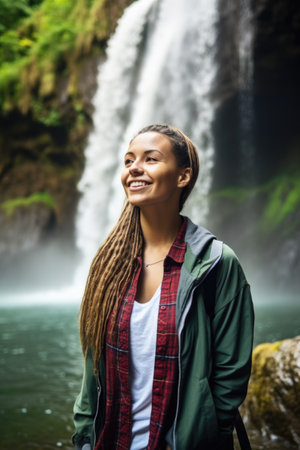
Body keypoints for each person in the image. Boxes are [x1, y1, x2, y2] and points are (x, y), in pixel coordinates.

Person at [72, 124, 254, 450]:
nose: (134, 169)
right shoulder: (109, 263)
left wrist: (204, 433)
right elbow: (91, 372)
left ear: (183, 176)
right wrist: (84, 437)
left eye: (150, 159)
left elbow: (231, 374)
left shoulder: (216, 263)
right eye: (129, 161)